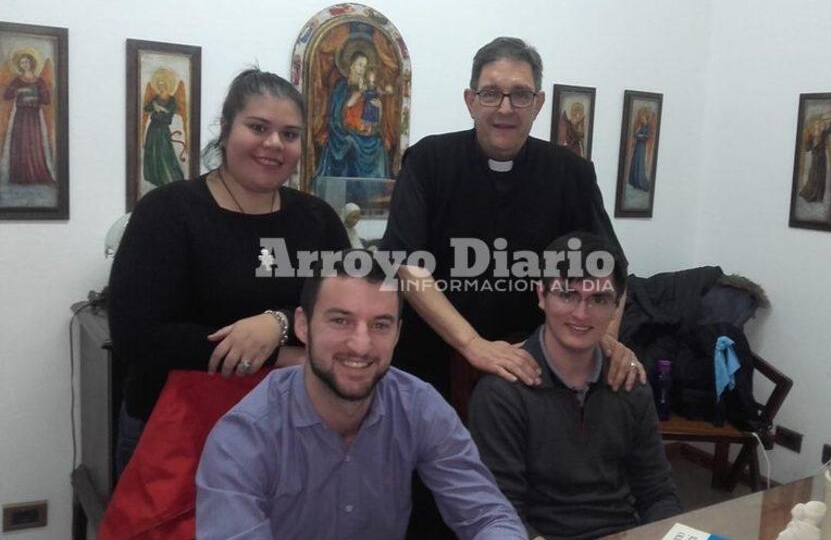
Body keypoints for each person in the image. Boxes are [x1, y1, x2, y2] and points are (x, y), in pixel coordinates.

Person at [380, 35, 644, 540]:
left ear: (539, 104)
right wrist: (472, 345)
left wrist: (605, 338)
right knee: (432, 497)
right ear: (470, 99)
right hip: (433, 354)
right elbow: (406, 266)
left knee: (523, 494)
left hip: (533, 364)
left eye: (520, 94)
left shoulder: (569, 171)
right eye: (491, 93)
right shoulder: (430, 160)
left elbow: (611, 268)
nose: (505, 107)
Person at [108, 68, 349, 473]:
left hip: (290, 427)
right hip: (175, 432)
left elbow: (345, 308)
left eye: (289, 134)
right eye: (258, 127)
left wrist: (280, 323)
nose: (274, 144)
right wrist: (276, 354)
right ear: (225, 128)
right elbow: (139, 338)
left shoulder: (317, 219)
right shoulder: (167, 211)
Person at [196, 251, 527, 540]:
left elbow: (487, 515)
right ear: (302, 326)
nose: (361, 345)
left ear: (398, 332)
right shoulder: (244, 438)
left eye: (380, 325)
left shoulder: (418, 406)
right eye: (340, 321)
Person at [469, 231, 682, 540]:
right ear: (541, 295)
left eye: (598, 299)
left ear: (616, 305)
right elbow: (498, 511)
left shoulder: (629, 381)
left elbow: (657, 491)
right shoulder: (501, 393)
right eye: (567, 295)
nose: (581, 314)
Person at [313, 49, 390, 202]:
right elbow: (337, 113)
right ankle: (347, 197)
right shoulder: (342, 86)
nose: (362, 69)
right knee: (351, 144)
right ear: (351, 66)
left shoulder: (369, 88)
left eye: (364, 66)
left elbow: (373, 119)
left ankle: (372, 197)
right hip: (342, 131)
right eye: (359, 65)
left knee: (379, 146)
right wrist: (357, 95)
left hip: (363, 132)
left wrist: (379, 108)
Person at [2, 49, 54, 184]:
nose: (25, 64)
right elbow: (7, 96)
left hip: (34, 117)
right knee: (21, 144)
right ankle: (20, 176)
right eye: (22, 62)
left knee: (34, 143)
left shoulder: (39, 81)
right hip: (20, 116)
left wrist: (39, 93)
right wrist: (17, 90)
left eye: (27, 61)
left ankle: (36, 174)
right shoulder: (17, 81)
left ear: (32, 63)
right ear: (19, 65)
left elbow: (46, 100)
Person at [142, 69, 186, 187]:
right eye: (159, 85)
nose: (161, 87)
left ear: (167, 86)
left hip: (162, 129)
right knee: (152, 152)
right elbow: (146, 108)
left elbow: (168, 118)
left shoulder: (171, 100)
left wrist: (159, 111)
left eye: (163, 85)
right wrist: (153, 106)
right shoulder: (156, 98)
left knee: (164, 153)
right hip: (153, 129)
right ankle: (153, 176)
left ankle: (167, 178)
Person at [798, 113, 831, 203]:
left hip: (822, 159)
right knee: (813, 177)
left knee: (822, 177)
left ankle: (819, 198)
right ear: (813, 125)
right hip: (815, 160)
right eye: (816, 124)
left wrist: (828, 120)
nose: (818, 126)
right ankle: (810, 196)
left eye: (820, 124)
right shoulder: (811, 136)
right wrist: (813, 144)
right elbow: (807, 148)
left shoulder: (823, 134)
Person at [627, 106, 652, 191]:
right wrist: (638, 134)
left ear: (646, 118)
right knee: (635, 162)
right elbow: (635, 134)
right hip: (638, 146)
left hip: (642, 147)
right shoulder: (640, 126)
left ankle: (640, 182)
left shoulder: (647, 127)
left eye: (643, 117)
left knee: (640, 163)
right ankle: (634, 182)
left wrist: (640, 136)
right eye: (641, 117)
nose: (641, 119)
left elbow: (647, 136)